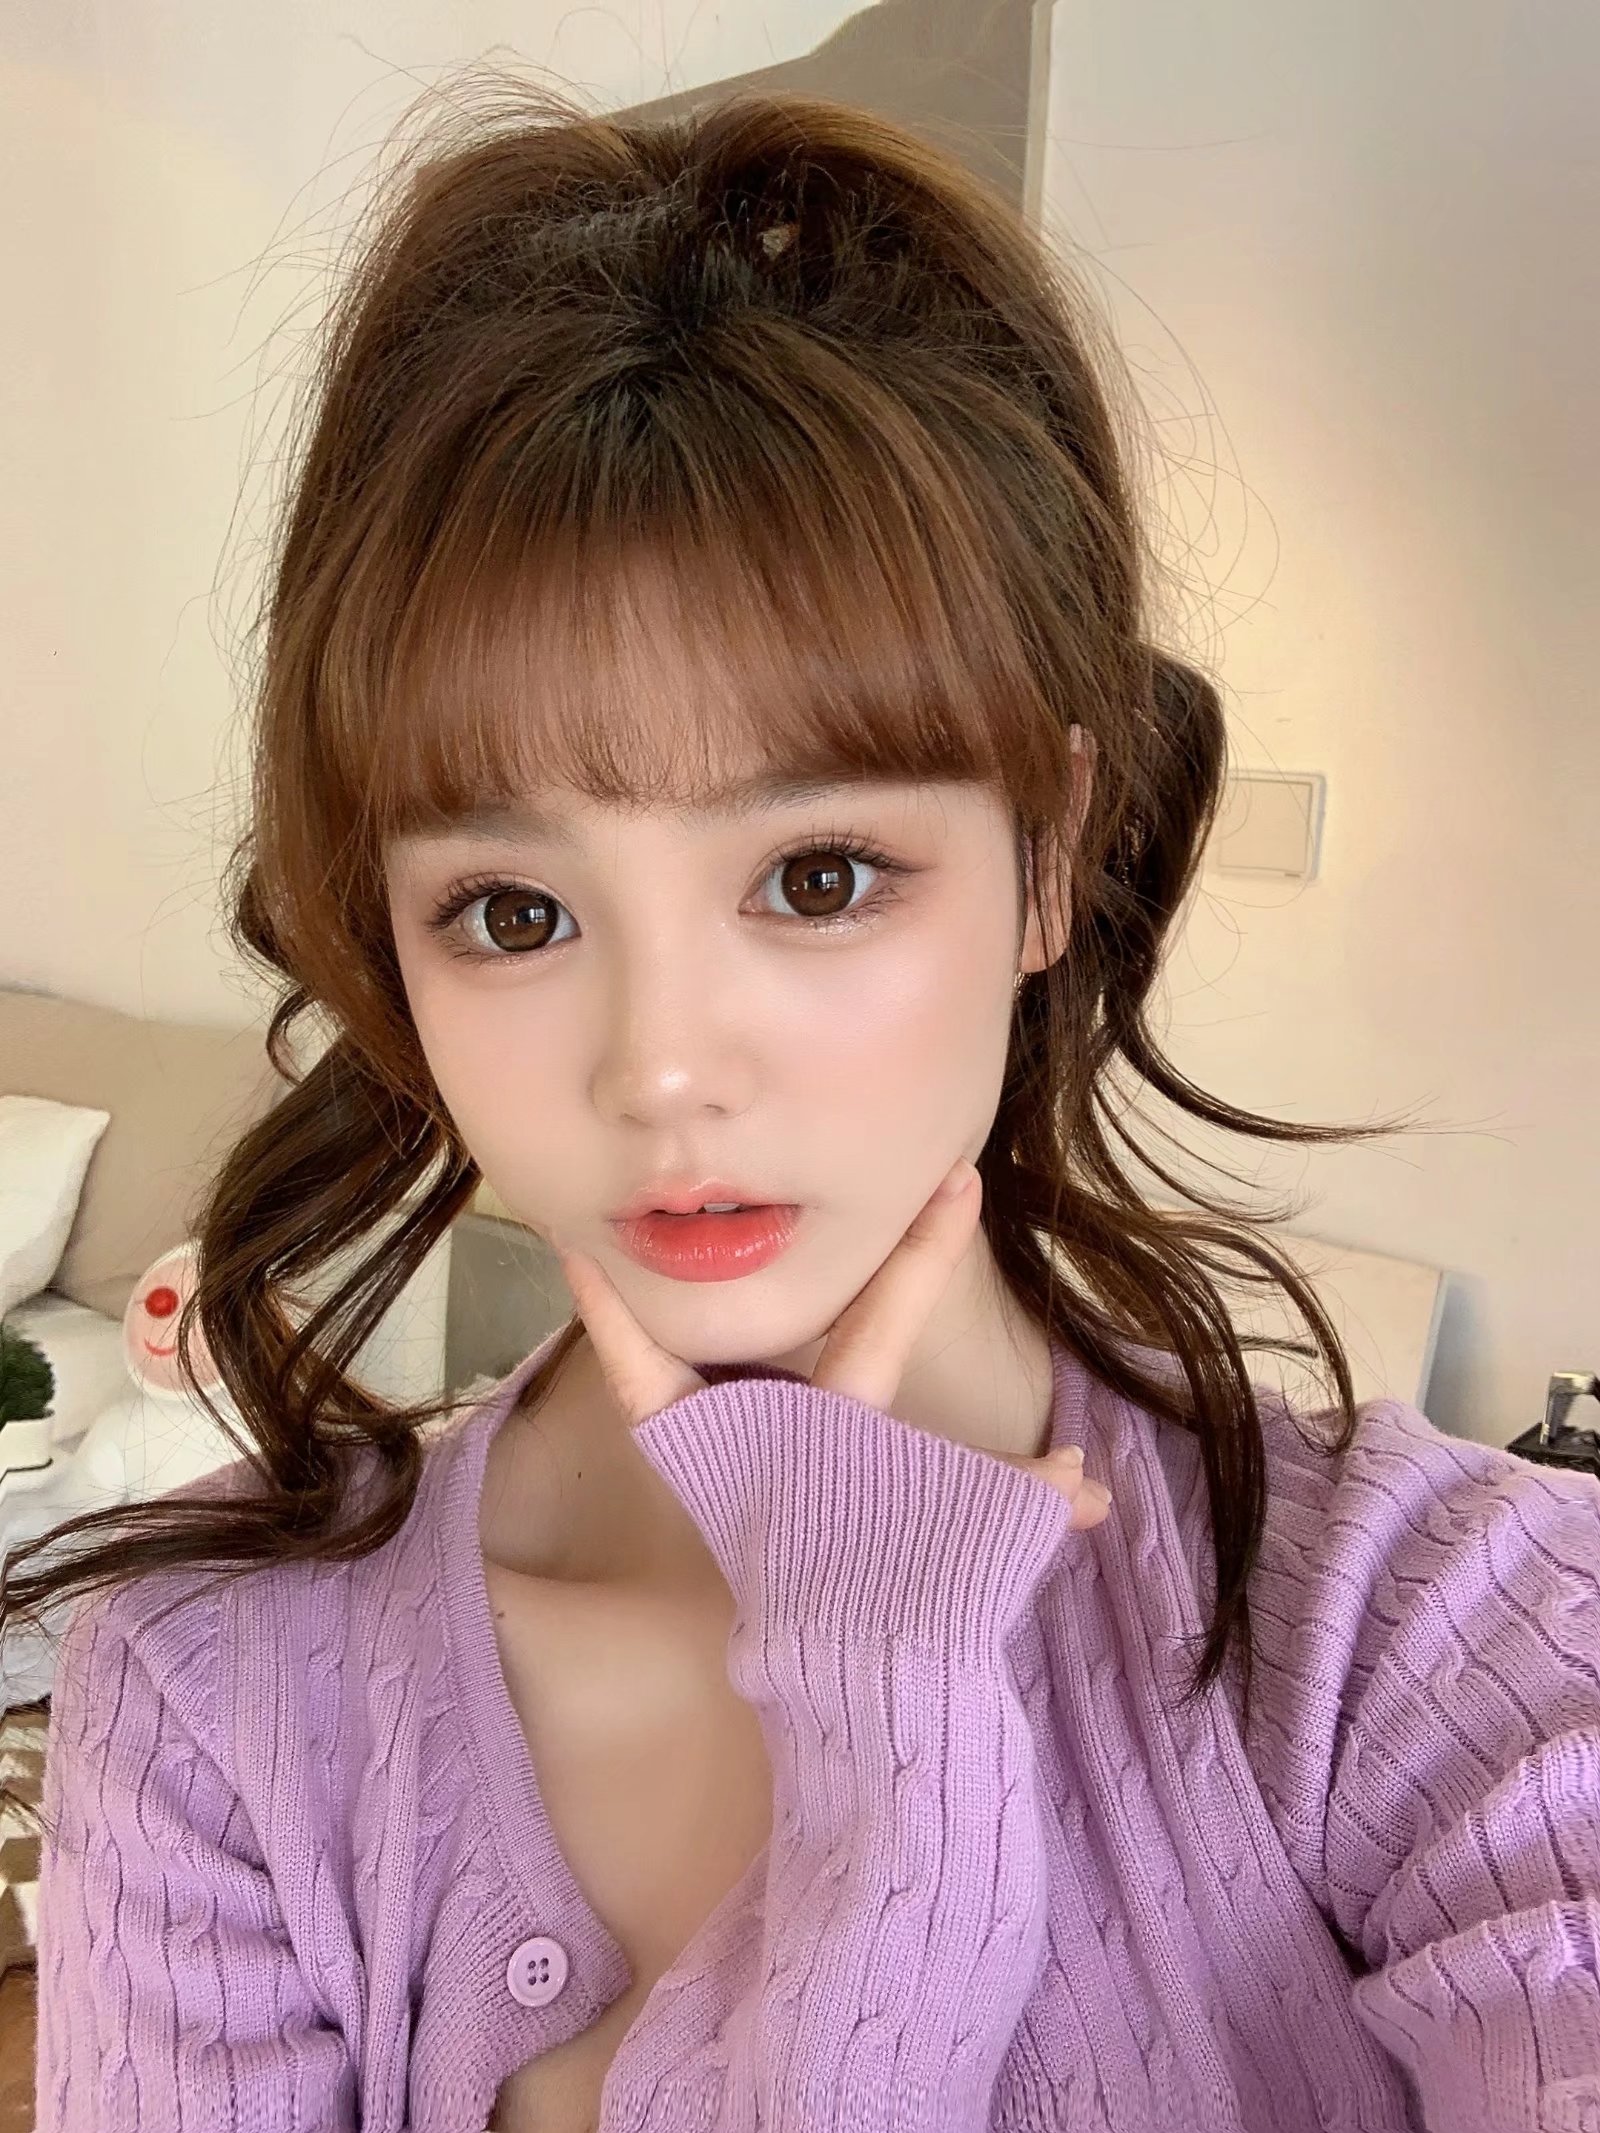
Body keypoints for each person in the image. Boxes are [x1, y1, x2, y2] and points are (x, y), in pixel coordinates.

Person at [9, 66, 1599, 2133]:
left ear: (1048, 853)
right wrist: (880, 1844)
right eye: (512, 909)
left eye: (820, 876)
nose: (663, 1066)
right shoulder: (210, 1709)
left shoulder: (1446, 1632)